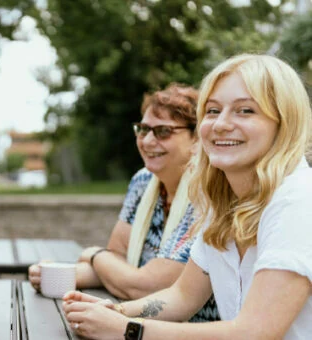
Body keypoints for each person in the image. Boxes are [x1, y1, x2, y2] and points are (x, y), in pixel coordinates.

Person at [63, 54, 312, 339]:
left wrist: (126, 330)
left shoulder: (299, 201)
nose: (220, 124)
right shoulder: (223, 202)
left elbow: (255, 332)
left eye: (245, 111)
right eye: (213, 110)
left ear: (284, 124)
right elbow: (182, 296)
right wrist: (116, 312)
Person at [29, 84, 218, 321]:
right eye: (143, 129)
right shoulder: (143, 182)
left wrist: (93, 253)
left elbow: (147, 286)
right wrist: (66, 275)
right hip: (141, 321)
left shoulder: (209, 193)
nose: (148, 141)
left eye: (163, 131)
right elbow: (117, 261)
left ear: (196, 139)